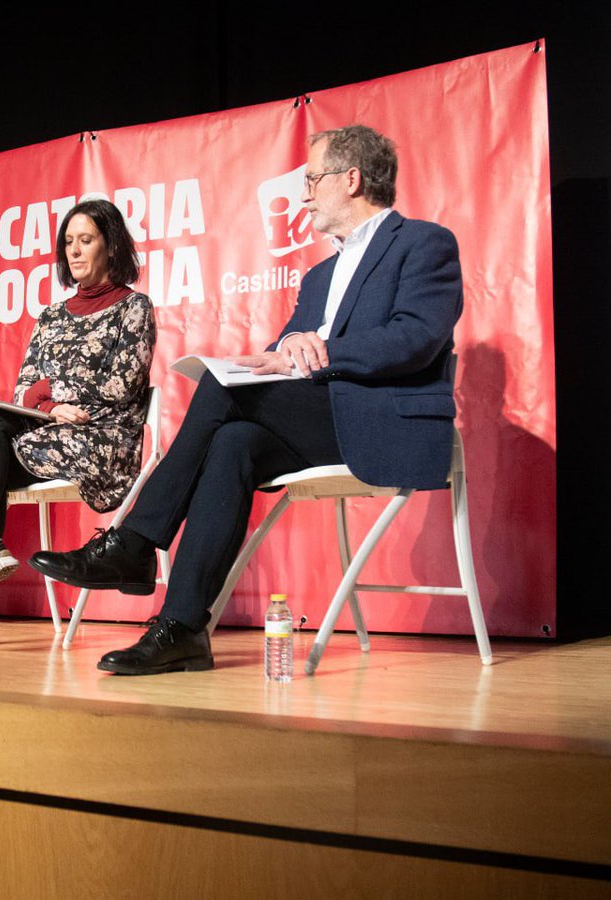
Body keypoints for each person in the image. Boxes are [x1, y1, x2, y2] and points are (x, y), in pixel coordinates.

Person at [31, 125, 464, 675]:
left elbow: (416, 337)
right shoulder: (321, 274)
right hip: (319, 418)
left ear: (351, 180)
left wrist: (321, 350)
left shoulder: (423, 243)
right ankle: (182, 628)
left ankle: (135, 542)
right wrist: (269, 355)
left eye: (312, 180)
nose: (304, 194)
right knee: (233, 440)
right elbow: (287, 349)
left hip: (382, 418)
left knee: (220, 392)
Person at [0, 199, 156, 650]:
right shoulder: (51, 316)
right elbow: (24, 388)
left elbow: (120, 384)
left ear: (111, 245)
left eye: (86, 241)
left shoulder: (134, 308)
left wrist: (51, 395)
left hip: (103, 440)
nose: (74, 252)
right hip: (51, 434)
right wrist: (47, 402)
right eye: (68, 242)